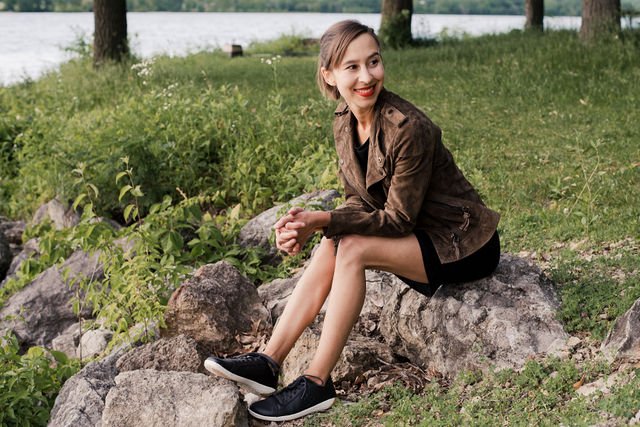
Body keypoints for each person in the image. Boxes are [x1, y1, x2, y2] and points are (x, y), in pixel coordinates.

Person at [204, 20, 500, 422]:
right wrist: (312, 227)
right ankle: (268, 363)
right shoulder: (345, 119)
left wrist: (323, 219)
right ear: (329, 75)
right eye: (352, 67)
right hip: (417, 238)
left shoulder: (410, 129)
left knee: (352, 245)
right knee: (334, 241)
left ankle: (317, 382)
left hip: (462, 244)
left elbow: (397, 219)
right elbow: (356, 202)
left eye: (373, 62)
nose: (367, 77)